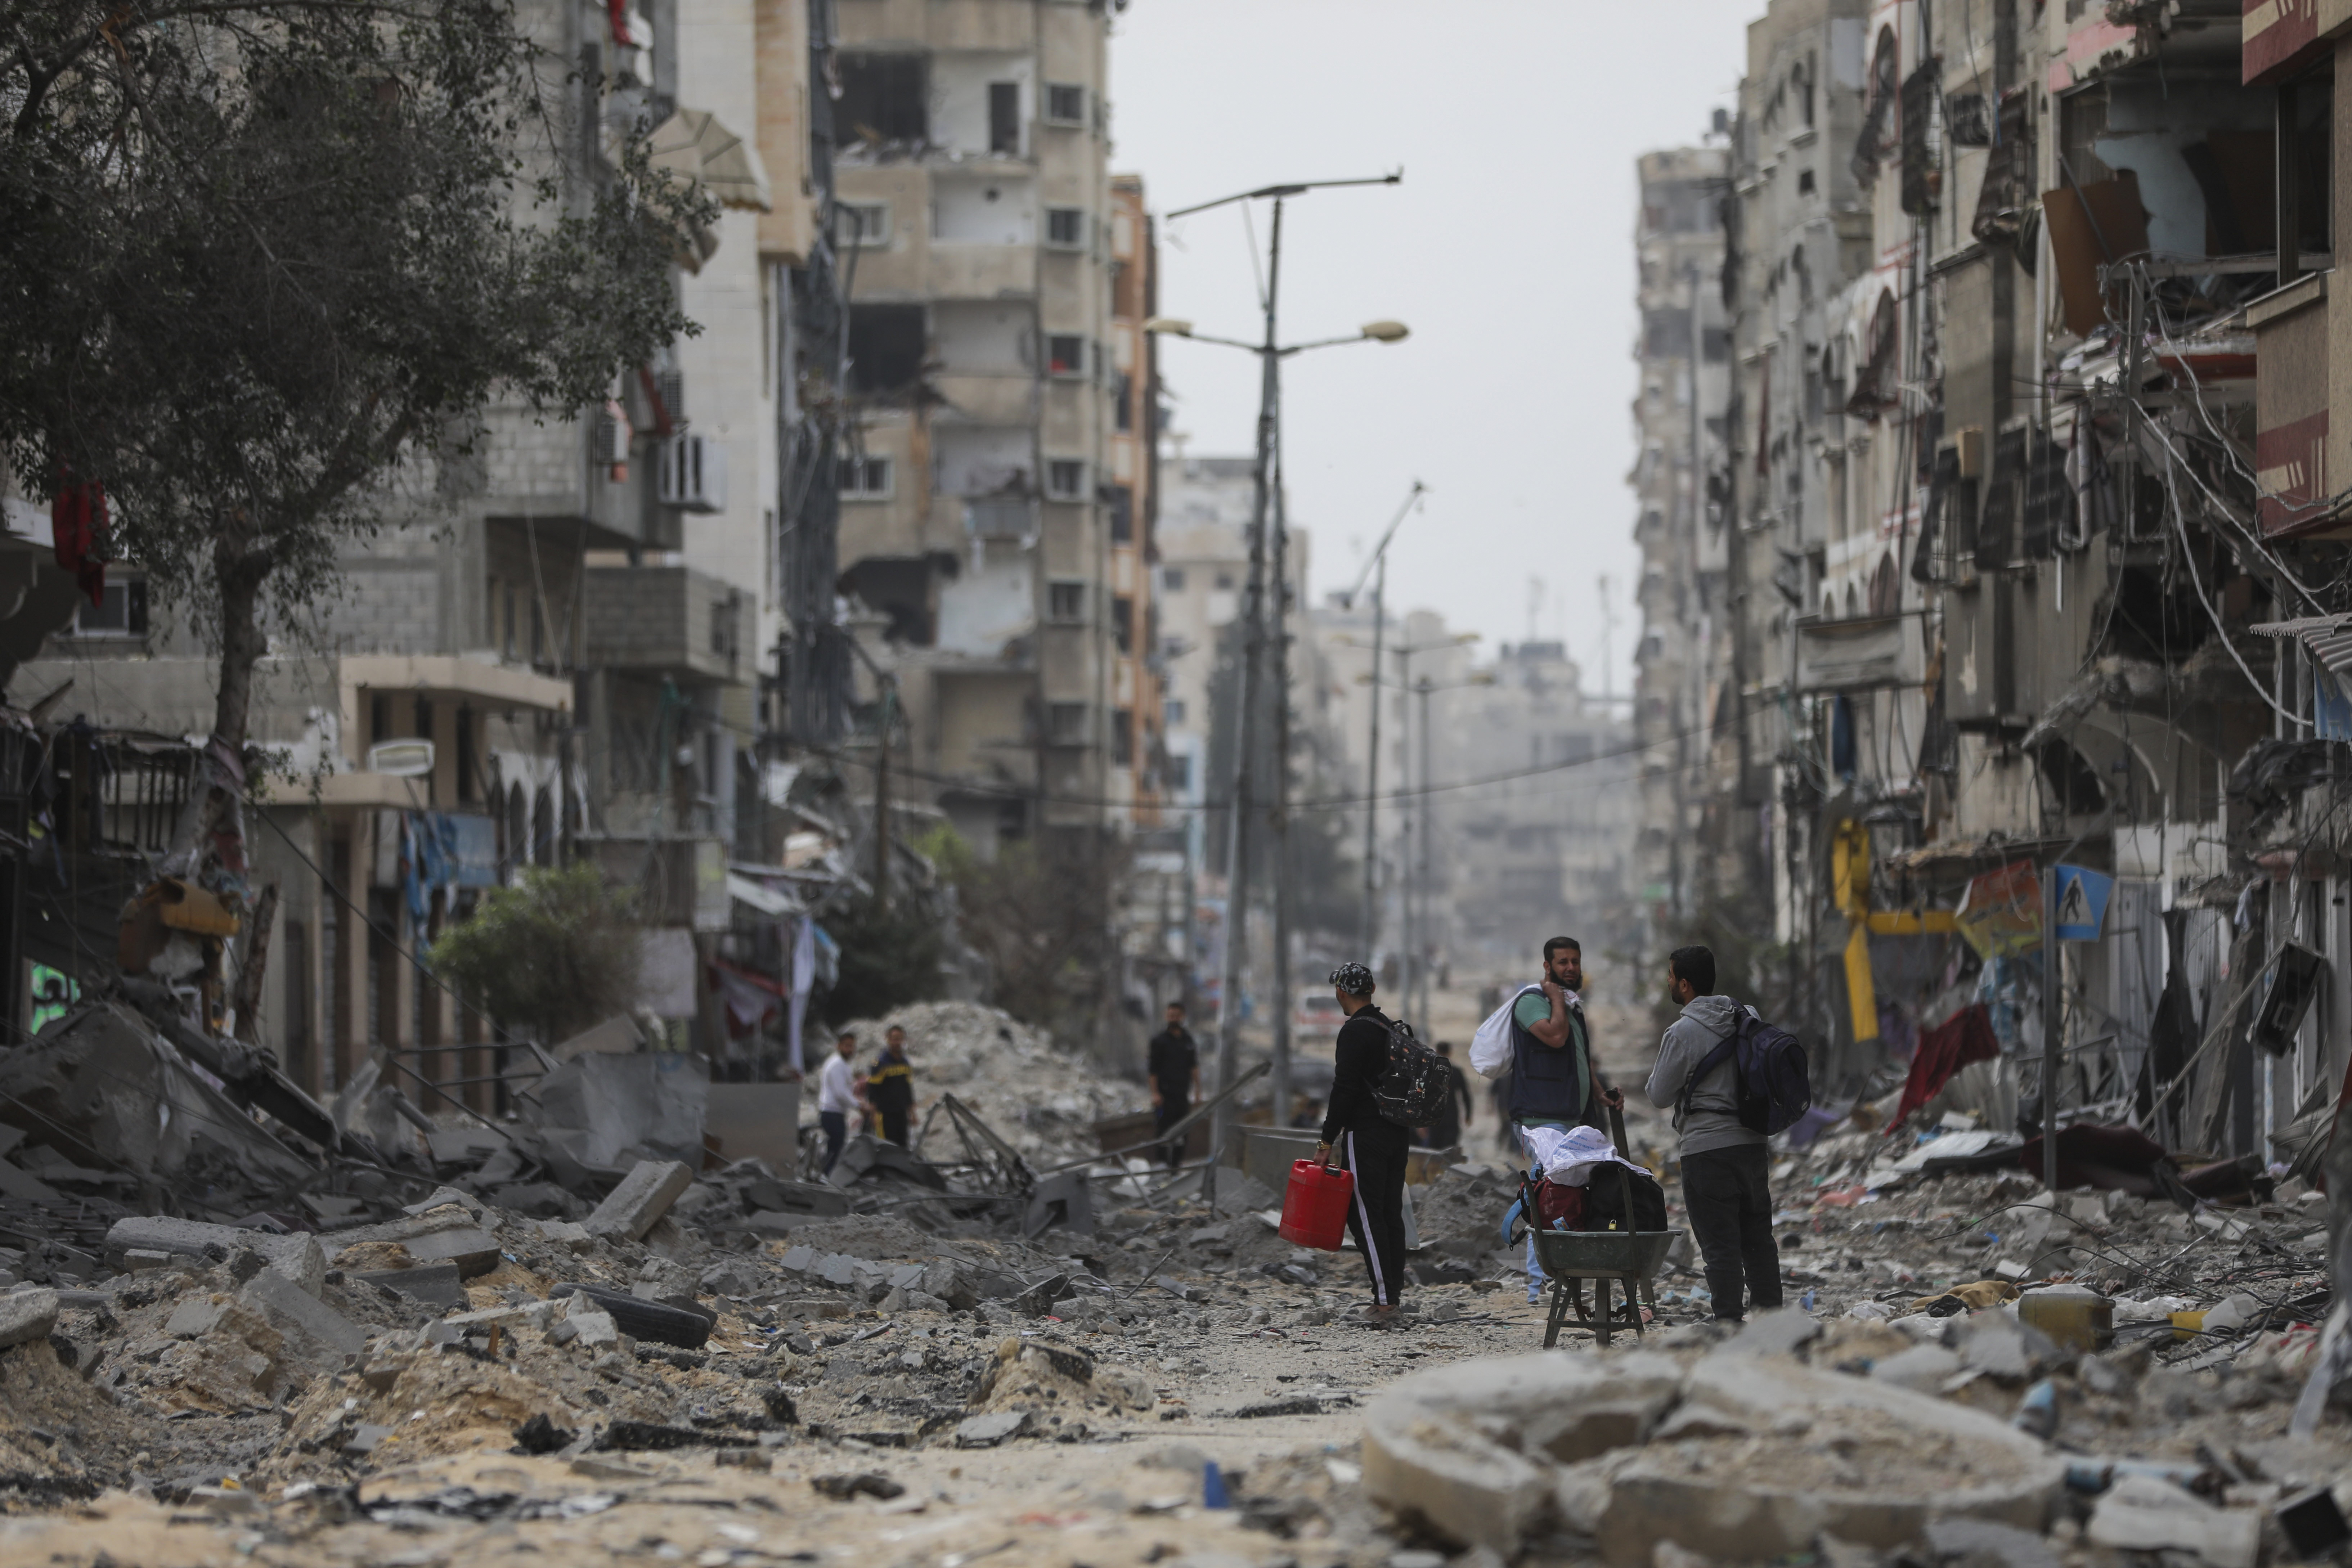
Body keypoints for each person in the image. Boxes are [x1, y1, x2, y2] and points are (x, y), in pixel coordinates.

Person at [1472, 936, 1623, 1304]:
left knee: (1567, 1194)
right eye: (1562, 962)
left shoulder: (1571, 1006)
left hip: (1570, 1114)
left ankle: (1557, 1278)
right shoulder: (1533, 1002)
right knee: (1552, 1196)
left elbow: (1580, 1055)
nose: (1570, 968)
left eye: (1575, 961)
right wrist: (1555, 998)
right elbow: (1556, 1037)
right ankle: (1539, 1286)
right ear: (1547, 967)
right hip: (1541, 1116)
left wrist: (1599, 1093)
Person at [1644, 944, 1781, 1324]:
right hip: (1752, 1145)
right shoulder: (1747, 1015)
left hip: (1706, 1151)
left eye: (1671, 976)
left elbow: (1658, 1095)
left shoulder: (1682, 1032)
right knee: (1758, 1239)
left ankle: (1729, 1324)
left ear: (1685, 984)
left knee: (1720, 1245)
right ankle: (1772, 1321)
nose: (1668, 981)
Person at [1315, 962, 1411, 1321]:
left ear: (1341, 992)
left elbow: (1344, 1089)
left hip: (1366, 1134)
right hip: (1397, 1132)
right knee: (1389, 1213)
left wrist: (1326, 1140)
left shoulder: (1354, 1031)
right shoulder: (1390, 1027)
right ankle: (1391, 1296)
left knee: (1365, 1216)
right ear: (1371, 990)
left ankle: (1384, 1303)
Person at [1145, 1000, 1201, 1170]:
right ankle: (1162, 1166)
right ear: (1166, 1016)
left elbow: (1194, 1067)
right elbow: (1153, 1070)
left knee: (1183, 1131)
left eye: (1176, 1015)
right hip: (1164, 1096)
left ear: (1182, 1017)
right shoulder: (1159, 1041)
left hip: (1182, 1095)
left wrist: (1198, 1091)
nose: (1173, 1018)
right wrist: (1155, 1093)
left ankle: (1176, 1166)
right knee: (1163, 1131)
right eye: (1171, 1015)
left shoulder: (1188, 1040)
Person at [1419, 1041, 1474, 1150]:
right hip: (1451, 1118)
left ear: (1436, 1052)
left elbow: (1422, 1096)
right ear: (1450, 1053)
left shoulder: (1429, 1071)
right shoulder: (1456, 1072)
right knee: (1449, 1151)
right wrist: (1468, 1115)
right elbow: (1465, 1095)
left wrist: (1420, 1122)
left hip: (1433, 1118)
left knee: (1434, 1152)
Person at [817, 1030, 859, 1175]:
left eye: (852, 1046)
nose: (850, 1050)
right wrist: (859, 1105)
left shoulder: (841, 1064)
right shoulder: (837, 1065)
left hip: (836, 1113)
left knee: (836, 1148)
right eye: (847, 1046)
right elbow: (841, 1093)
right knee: (835, 1149)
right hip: (832, 1113)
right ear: (839, 1046)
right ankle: (827, 1176)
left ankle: (827, 1175)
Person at [868, 1025, 916, 1148]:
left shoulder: (905, 1063)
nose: (897, 1042)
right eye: (894, 1039)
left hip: (901, 1112)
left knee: (903, 1146)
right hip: (885, 1114)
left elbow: (907, 1089)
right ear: (888, 1039)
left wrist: (912, 1113)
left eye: (899, 1039)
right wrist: (873, 1115)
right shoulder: (881, 1063)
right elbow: (873, 1091)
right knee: (887, 1147)